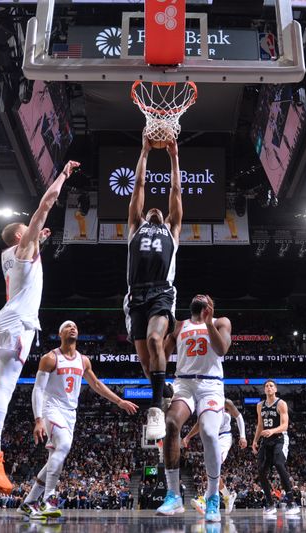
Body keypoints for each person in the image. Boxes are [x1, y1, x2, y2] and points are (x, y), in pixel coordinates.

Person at [0, 160, 80, 495]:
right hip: (19, 323)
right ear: (21, 234)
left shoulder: (10, 254)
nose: (32, 229)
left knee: (1, 386)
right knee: (3, 387)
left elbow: (26, 264)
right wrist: (62, 174)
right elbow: (45, 205)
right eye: (28, 229)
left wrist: (41, 242)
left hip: (4, 320)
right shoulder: (22, 245)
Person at [19, 320, 138, 519]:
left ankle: (29, 502)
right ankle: (49, 499)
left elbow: (97, 384)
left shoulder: (83, 360)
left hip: (70, 413)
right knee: (63, 446)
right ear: (60, 334)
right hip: (51, 408)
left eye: (74, 326)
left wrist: (119, 401)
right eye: (67, 326)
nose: (72, 327)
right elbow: (38, 390)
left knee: (53, 462)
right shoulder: (50, 358)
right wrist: (38, 419)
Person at [124, 135, 182, 441]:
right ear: (144, 216)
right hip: (135, 296)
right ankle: (164, 390)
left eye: (160, 211)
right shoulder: (136, 225)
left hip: (161, 291)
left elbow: (175, 189)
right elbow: (139, 187)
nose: (155, 210)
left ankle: (156, 408)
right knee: (146, 364)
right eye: (150, 211)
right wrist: (144, 151)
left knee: (156, 339)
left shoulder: (172, 229)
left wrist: (174, 157)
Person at [154, 295, 231, 522]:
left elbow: (222, 349)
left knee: (208, 432)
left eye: (205, 296)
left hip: (211, 384)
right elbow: (162, 356)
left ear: (211, 306)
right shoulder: (179, 326)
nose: (200, 295)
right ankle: (174, 495)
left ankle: (212, 496)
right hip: (184, 383)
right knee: (170, 423)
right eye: (197, 296)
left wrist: (208, 323)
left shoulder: (220, 322)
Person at [184, 398, 247, 514]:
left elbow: (239, 417)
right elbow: (199, 423)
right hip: (211, 439)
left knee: (214, 464)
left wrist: (242, 436)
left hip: (224, 438)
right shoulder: (205, 403)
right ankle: (228, 496)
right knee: (212, 470)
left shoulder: (227, 402)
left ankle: (204, 500)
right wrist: (188, 437)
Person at [252, 380, 300, 517]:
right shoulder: (260, 405)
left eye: (271, 386)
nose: (268, 388)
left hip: (280, 439)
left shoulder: (281, 404)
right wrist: (255, 440)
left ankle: (291, 502)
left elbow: (285, 426)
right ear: (264, 390)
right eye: (266, 386)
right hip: (266, 440)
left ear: (276, 389)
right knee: (261, 471)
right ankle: (270, 503)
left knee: (279, 464)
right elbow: (260, 425)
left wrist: (272, 431)